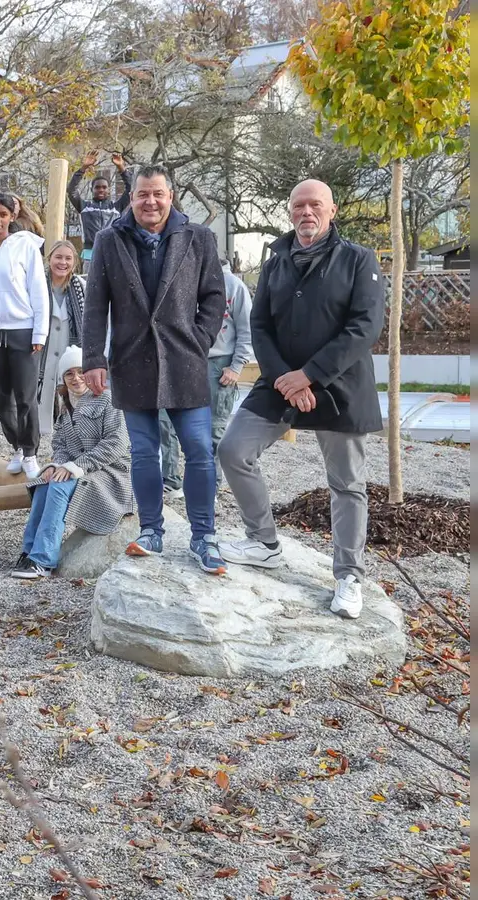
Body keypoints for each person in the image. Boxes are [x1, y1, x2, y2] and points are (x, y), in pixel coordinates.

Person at [219, 179, 385, 618]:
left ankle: (348, 576)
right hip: (280, 382)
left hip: (339, 384)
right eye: (299, 206)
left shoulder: (358, 259)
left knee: (347, 484)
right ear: (290, 211)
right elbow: (260, 326)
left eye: (315, 205)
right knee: (233, 450)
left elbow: (365, 327)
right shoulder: (275, 262)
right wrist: (285, 380)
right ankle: (263, 542)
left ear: (332, 210)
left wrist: (309, 376)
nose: (306, 212)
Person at [82, 165, 227, 575]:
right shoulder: (109, 239)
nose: (150, 202)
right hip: (132, 359)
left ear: (170, 196)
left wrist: (200, 338)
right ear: (131, 198)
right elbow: (96, 304)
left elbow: (214, 296)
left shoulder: (198, 237)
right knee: (144, 452)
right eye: (142, 194)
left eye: (158, 194)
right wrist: (93, 359)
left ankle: (204, 536)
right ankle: (151, 531)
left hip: (185, 359)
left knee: (198, 449)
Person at [10, 345, 133, 579]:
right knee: (43, 484)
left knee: (59, 486)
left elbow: (117, 443)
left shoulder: (108, 400)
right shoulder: (65, 407)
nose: (76, 378)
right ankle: (29, 551)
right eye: (69, 373)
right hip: (79, 470)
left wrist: (76, 467)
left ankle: (43, 560)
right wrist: (57, 466)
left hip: (111, 473)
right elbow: (60, 445)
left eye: (80, 371)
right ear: (63, 379)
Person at [0, 193, 48, 479]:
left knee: (25, 396)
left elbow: (38, 290)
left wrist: (39, 332)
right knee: (1, 398)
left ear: (12, 217)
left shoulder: (26, 246)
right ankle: (16, 446)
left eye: (3, 214)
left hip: (22, 329)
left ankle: (30, 451)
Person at [159, 255, 253, 496]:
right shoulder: (181, 279)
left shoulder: (234, 286)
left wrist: (236, 366)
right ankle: (170, 479)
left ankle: (209, 487)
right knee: (165, 421)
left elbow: (248, 329)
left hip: (219, 363)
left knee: (213, 430)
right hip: (182, 360)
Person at [36, 240, 86, 437]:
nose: (62, 263)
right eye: (58, 257)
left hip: (69, 350)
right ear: (49, 259)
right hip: (42, 351)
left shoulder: (81, 287)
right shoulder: (37, 284)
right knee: (42, 398)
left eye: (68, 258)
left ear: (74, 262)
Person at [67, 150, 132, 262]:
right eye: (97, 187)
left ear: (109, 190)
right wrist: (84, 167)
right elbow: (71, 190)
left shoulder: (116, 208)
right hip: (90, 254)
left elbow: (131, 189)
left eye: (104, 187)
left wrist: (121, 168)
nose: (101, 190)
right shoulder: (84, 207)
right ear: (92, 190)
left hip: (112, 253)